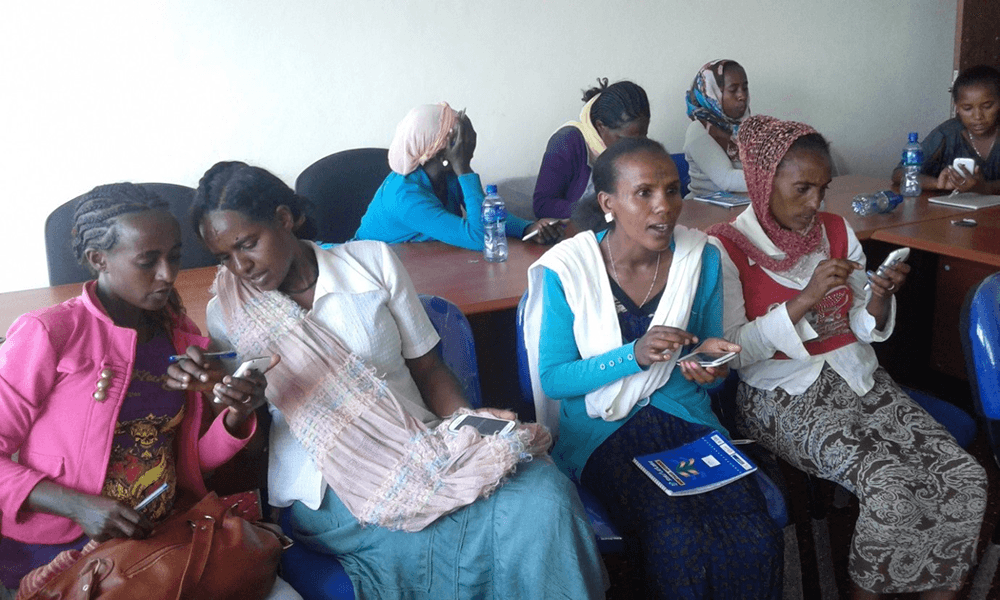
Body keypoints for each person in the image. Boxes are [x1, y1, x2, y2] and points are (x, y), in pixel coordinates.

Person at [190, 161, 607, 600]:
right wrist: (242, 405)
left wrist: (478, 432)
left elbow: (429, 370)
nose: (241, 267)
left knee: (545, 491)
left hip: (425, 447)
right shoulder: (229, 314)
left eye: (248, 244)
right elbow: (251, 446)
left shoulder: (370, 262)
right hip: (331, 491)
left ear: (283, 218)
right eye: (224, 258)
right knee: (466, 530)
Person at [709, 115, 987, 600]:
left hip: (859, 379)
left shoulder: (834, 230)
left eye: (823, 188)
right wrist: (804, 299)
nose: (816, 203)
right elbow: (735, 351)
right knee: (892, 487)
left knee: (964, 475)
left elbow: (862, 324)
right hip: (781, 394)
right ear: (762, 180)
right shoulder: (727, 247)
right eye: (802, 189)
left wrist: (879, 295)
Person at [0, 183, 299, 599]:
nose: (167, 274)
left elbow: (191, 463)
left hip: (161, 534)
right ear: (97, 259)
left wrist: (236, 413)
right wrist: (77, 505)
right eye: (148, 261)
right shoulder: (50, 334)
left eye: (174, 256)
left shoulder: (180, 338)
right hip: (65, 549)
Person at [524, 137, 783, 599]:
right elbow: (556, 379)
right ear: (608, 203)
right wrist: (634, 354)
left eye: (672, 190)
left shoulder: (698, 257)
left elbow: (698, 350)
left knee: (754, 535)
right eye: (643, 193)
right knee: (675, 540)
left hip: (683, 417)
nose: (664, 207)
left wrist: (709, 366)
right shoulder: (569, 270)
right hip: (604, 428)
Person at [355, 103, 562, 250]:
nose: (469, 141)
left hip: (420, 264)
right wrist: (464, 168)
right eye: (460, 138)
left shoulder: (446, 175)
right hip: (372, 270)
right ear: (441, 152)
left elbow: (486, 217)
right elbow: (481, 238)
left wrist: (527, 227)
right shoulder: (404, 198)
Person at [533, 79, 650, 219]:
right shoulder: (566, 142)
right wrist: (601, 209)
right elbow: (542, 205)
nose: (633, 148)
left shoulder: (637, 146)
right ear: (600, 127)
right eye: (623, 140)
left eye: (642, 138)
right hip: (576, 233)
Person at [891, 64, 1000, 194]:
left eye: (987, 106)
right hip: (955, 212)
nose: (978, 116)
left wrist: (986, 188)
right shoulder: (948, 133)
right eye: (967, 108)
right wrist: (938, 183)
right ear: (957, 107)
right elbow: (899, 173)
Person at [683, 59, 750, 199]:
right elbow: (728, 180)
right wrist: (780, 179)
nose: (742, 96)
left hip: (741, 206)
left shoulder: (747, 126)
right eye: (733, 90)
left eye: (745, 88)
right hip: (705, 211)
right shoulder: (698, 129)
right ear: (711, 92)